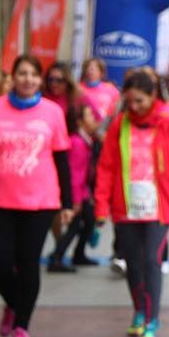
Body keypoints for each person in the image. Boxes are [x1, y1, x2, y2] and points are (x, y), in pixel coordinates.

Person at [0, 54, 74, 337]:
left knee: (28, 265)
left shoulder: (52, 112)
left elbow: (63, 159)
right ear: (12, 77)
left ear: (40, 80)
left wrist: (67, 202)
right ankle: (13, 304)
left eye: (34, 75)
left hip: (40, 202)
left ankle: (22, 325)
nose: (28, 80)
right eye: (22, 73)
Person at [95, 69, 169, 337]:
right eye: (130, 101)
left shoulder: (168, 124)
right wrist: (101, 207)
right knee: (134, 264)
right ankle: (139, 311)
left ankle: (152, 325)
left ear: (153, 96)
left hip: (158, 208)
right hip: (126, 207)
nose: (135, 107)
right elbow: (106, 167)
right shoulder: (120, 125)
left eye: (140, 101)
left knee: (153, 261)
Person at [46, 102, 100, 270]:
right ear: (79, 122)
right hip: (77, 193)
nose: (94, 119)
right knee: (75, 225)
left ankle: (77, 254)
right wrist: (74, 201)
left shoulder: (85, 140)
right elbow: (75, 175)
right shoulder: (77, 143)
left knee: (89, 221)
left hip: (82, 192)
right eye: (89, 116)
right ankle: (57, 257)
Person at [79, 56, 120, 126]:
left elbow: (116, 111)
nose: (90, 70)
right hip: (84, 127)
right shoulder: (78, 88)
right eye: (88, 67)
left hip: (105, 127)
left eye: (95, 68)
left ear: (101, 72)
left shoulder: (111, 89)